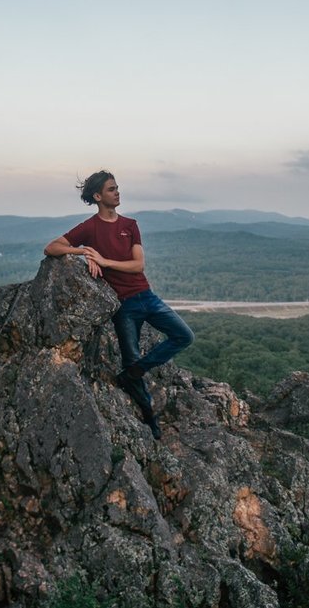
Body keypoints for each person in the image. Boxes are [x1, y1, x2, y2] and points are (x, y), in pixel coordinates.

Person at [44, 170, 193, 439]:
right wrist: (83, 251)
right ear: (98, 196)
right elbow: (51, 247)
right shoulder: (90, 227)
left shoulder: (130, 224)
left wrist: (104, 262)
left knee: (184, 335)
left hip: (146, 296)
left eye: (117, 188)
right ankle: (151, 422)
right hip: (123, 307)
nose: (118, 192)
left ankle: (134, 372)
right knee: (130, 359)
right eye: (112, 189)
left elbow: (138, 265)